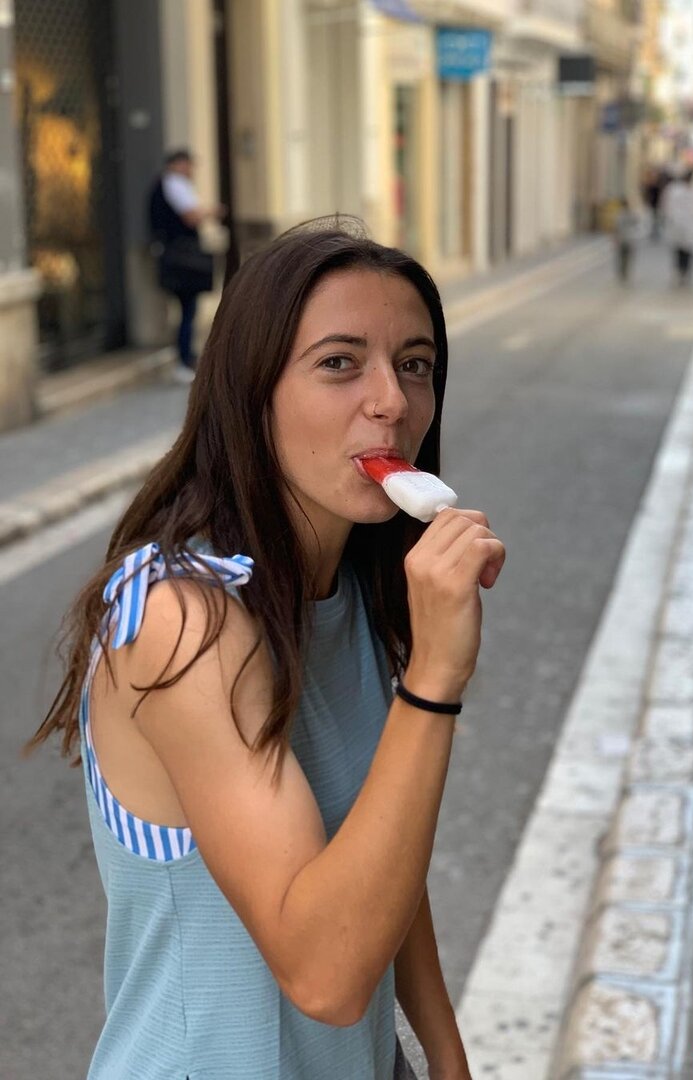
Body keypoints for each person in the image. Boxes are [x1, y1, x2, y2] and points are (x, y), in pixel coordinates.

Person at [29, 221, 506, 1079]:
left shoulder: (354, 586)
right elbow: (324, 975)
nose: (392, 401)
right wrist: (435, 676)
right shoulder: (182, 618)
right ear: (252, 392)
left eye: (415, 364)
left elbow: (382, 849)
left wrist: (445, 1056)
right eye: (339, 363)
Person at [149, 148, 225, 383]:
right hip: (180, 257)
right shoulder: (173, 185)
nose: (191, 170)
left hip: (176, 256)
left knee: (187, 310)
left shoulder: (168, 185)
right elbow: (191, 216)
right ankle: (183, 360)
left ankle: (187, 358)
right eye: (188, 165)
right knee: (187, 310)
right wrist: (211, 212)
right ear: (178, 164)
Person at [660, 168, 693, 286]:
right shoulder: (674, 190)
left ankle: (686, 272)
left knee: (689, 250)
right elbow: (666, 205)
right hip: (677, 224)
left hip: (691, 226)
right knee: (678, 249)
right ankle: (679, 271)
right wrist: (671, 218)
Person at [613, 198, 643, 283]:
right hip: (630, 239)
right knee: (627, 257)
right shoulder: (631, 214)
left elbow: (616, 228)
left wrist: (616, 238)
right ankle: (625, 272)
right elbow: (637, 222)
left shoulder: (619, 215)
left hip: (622, 239)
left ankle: (622, 272)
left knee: (621, 257)